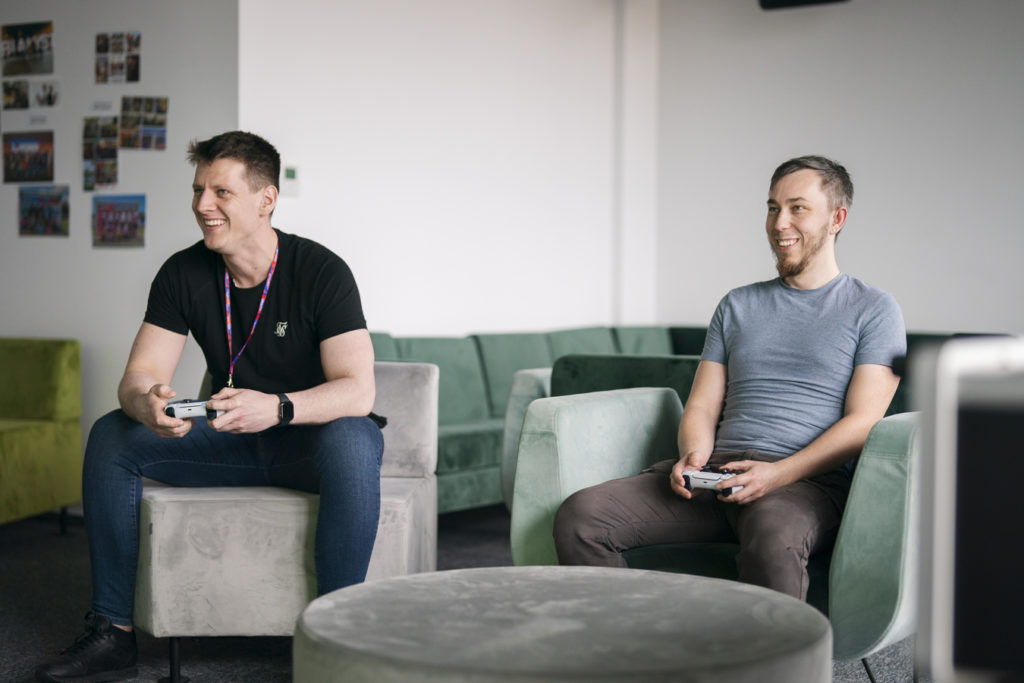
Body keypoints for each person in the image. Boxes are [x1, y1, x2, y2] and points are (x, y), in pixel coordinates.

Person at [36, 131, 384, 683]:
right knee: (112, 434)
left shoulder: (321, 271)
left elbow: (357, 390)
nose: (202, 205)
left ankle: (336, 640)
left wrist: (277, 408)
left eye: (220, 192)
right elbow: (139, 376)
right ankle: (112, 632)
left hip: (309, 442)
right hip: (228, 436)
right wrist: (146, 403)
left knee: (356, 437)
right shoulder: (183, 272)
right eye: (198, 190)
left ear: (266, 199)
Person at [553, 155, 906, 601]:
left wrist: (777, 474)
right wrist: (693, 457)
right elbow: (702, 405)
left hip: (805, 482)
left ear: (837, 219)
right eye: (773, 207)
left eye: (798, 208)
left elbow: (862, 423)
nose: (780, 223)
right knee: (582, 516)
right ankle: (632, 652)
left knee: (774, 536)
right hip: (717, 474)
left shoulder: (874, 309)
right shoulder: (737, 305)